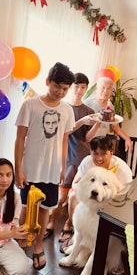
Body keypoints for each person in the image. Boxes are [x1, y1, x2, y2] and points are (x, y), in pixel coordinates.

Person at [14, 62, 75, 270]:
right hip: (30, 170)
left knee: (45, 211)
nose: (60, 91)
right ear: (48, 82)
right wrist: (18, 169)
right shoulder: (30, 105)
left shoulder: (67, 110)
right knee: (25, 209)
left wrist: (62, 167)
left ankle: (38, 246)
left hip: (51, 171)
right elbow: (20, 138)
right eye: (57, 86)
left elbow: (65, 140)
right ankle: (20, 246)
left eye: (65, 89)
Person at [60, 135, 132, 275]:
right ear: (91, 152)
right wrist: (85, 194)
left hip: (114, 207)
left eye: (103, 153)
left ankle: (110, 258)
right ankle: (76, 240)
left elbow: (126, 198)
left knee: (108, 238)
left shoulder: (123, 170)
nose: (99, 158)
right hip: (90, 204)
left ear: (111, 152)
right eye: (95, 153)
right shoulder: (87, 162)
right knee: (73, 196)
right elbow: (76, 184)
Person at [44, 72, 99, 242]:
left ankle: (68, 224)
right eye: (77, 86)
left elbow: (88, 138)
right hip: (66, 157)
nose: (80, 90)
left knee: (74, 196)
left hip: (82, 158)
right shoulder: (63, 108)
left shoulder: (89, 110)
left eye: (83, 87)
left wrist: (97, 122)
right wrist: (82, 121)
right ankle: (51, 222)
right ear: (71, 87)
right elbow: (62, 133)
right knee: (60, 197)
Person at [84, 75, 133, 153]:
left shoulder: (110, 106)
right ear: (97, 89)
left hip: (101, 145)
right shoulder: (87, 104)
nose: (106, 91)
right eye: (103, 87)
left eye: (109, 88)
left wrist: (127, 138)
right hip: (87, 146)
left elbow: (115, 127)